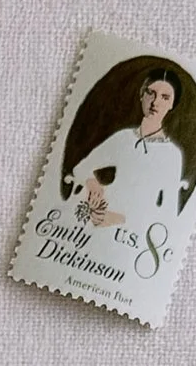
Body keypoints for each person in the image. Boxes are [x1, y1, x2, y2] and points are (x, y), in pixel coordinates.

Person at [62, 68, 187, 238]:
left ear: (172, 104)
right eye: (151, 93)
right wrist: (92, 183)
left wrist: (120, 220)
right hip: (99, 219)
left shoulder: (172, 155)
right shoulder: (124, 138)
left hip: (132, 234)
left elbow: (168, 216)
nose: (155, 102)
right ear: (142, 95)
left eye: (165, 97)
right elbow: (81, 168)